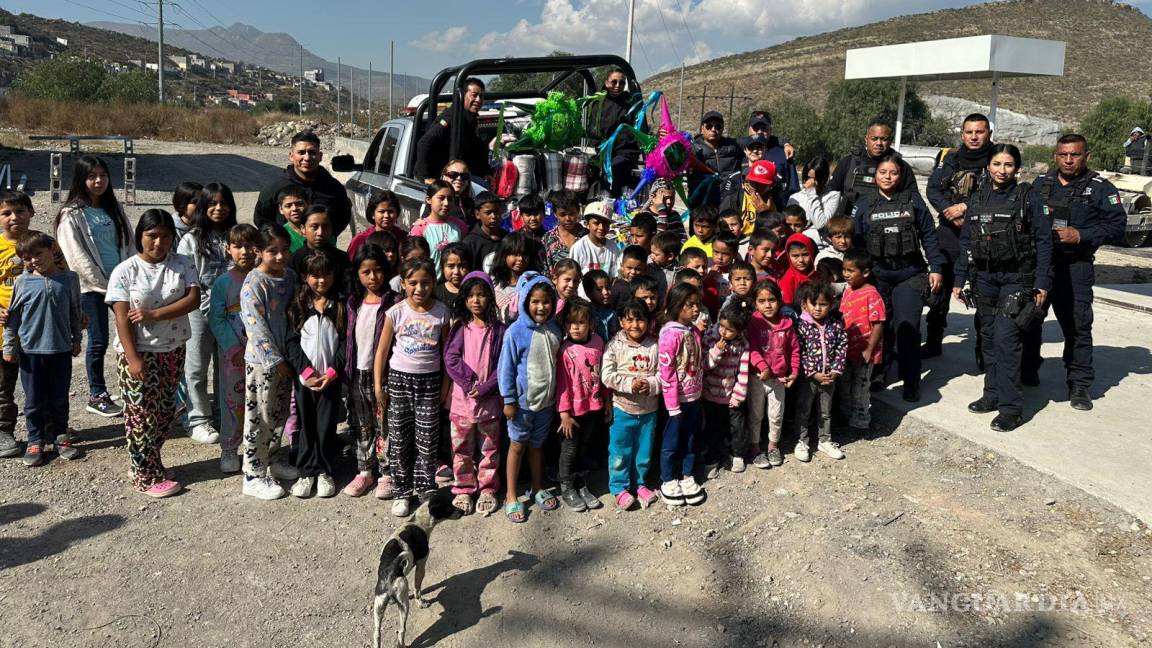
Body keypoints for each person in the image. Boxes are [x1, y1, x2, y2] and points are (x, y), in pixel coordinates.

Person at [1021, 135, 1126, 410]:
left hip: (1075, 267)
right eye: (1063, 155)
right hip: (1042, 266)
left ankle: (1079, 384)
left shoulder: (1101, 188)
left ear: (1086, 156)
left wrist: (1081, 235)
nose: (1068, 160)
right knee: (1029, 320)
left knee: (1078, 327)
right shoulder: (1041, 184)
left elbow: (1117, 226)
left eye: (1075, 155)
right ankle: (1028, 370)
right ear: (1055, 156)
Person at [954, 144, 1053, 431]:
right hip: (985, 278)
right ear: (988, 166)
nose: (1002, 170)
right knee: (987, 339)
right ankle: (992, 395)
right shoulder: (977, 198)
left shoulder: (1027, 197)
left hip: (1017, 278)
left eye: (1008, 165)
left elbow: (1044, 241)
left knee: (1006, 340)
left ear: (1016, 168)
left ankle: (1011, 408)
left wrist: (1042, 282)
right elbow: (966, 243)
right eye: (997, 164)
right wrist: (960, 279)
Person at [107, 210, 200, 497]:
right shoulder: (125, 270)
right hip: (138, 353)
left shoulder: (182, 264)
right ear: (140, 236)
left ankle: (149, 463)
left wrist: (154, 313)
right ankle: (143, 476)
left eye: (165, 236)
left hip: (172, 349)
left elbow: (193, 299)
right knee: (140, 415)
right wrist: (133, 358)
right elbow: (122, 318)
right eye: (152, 235)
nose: (158, 242)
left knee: (164, 412)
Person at [851, 154, 945, 402]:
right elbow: (856, 242)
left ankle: (911, 381)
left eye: (893, 173)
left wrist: (936, 266)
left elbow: (928, 235)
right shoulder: (863, 204)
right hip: (878, 276)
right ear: (875, 176)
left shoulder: (913, 200)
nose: (888, 177)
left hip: (909, 274)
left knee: (907, 327)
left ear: (900, 175)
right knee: (881, 328)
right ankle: (880, 374)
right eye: (883, 172)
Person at [55, 155, 133, 418]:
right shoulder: (71, 215)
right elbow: (75, 256)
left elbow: (129, 243)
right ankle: (97, 394)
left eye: (103, 175)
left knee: (133, 335)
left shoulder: (114, 208)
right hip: (93, 288)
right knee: (99, 340)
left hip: (122, 284)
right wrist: (104, 283)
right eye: (91, 176)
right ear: (81, 180)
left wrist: (132, 277)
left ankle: (134, 387)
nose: (98, 181)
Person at [374, 258, 450, 517]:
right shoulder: (395, 312)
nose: (420, 288)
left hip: (430, 382)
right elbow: (382, 352)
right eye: (413, 283)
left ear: (434, 283)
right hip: (399, 381)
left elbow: (446, 352)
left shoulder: (441, 312)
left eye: (426, 282)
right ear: (403, 284)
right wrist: (378, 386)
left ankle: (425, 487)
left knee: (427, 438)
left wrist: (445, 387)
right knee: (400, 436)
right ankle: (402, 490)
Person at [4, 232, 83, 466]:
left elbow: (75, 311)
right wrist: (9, 346)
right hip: (30, 352)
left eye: (38, 254)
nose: (34, 261)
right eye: (27, 258)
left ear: (52, 249)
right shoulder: (22, 282)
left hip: (60, 350)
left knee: (59, 397)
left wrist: (77, 338)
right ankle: (35, 439)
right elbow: (13, 319)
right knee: (34, 400)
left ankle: (60, 436)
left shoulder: (69, 279)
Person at [924, 113, 995, 359]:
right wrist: (950, 211)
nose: (974, 137)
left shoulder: (998, 159)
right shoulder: (951, 159)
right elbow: (933, 189)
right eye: (969, 132)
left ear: (989, 134)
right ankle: (933, 341)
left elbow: (1000, 192)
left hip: (982, 234)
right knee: (938, 290)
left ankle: (983, 350)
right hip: (948, 231)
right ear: (962, 134)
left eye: (980, 132)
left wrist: (966, 208)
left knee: (982, 293)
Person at [498, 272, 563, 523]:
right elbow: (506, 369)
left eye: (546, 301)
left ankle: (537, 488)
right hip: (522, 405)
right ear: (525, 302)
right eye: (535, 301)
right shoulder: (515, 332)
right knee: (517, 446)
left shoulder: (555, 329)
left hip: (545, 403)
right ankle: (512, 495)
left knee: (537, 446)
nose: (541, 307)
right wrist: (509, 400)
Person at [239, 224, 298, 501]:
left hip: (287, 357)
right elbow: (256, 327)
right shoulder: (253, 283)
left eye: (284, 250)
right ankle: (253, 472)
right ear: (258, 251)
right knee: (259, 417)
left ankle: (272, 458)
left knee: (279, 412)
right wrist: (275, 361)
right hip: (264, 363)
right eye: (272, 251)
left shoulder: (290, 278)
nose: (279, 257)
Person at [177, 183, 238, 445]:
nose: (218, 208)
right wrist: (210, 309)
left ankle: (226, 414)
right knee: (196, 367)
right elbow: (188, 279)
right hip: (199, 312)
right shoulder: (191, 239)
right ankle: (198, 419)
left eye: (223, 203)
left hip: (232, 314)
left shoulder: (237, 236)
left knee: (227, 367)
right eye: (212, 203)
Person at [444, 271, 506, 516]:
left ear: (490, 298)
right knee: (461, 449)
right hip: (461, 403)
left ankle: (488, 488)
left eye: (481, 295)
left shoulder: (499, 330)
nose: (476, 301)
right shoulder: (461, 327)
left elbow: (503, 365)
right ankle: (464, 488)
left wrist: (485, 387)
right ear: (464, 299)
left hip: (489, 403)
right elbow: (451, 357)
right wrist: (470, 382)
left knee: (489, 449)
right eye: (471, 296)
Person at [342, 243, 401, 498]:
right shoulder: (354, 302)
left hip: (383, 375)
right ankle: (365, 471)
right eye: (366, 272)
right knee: (362, 423)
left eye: (377, 271)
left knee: (384, 424)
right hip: (357, 372)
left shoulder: (394, 302)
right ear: (357, 273)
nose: (373, 277)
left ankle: (387, 473)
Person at [285, 253, 346, 498]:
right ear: (305, 277)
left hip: (330, 379)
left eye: (326, 274)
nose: (321, 280)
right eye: (315, 275)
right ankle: (306, 471)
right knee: (306, 424)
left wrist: (332, 371)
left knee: (326, 425)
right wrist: (306, 371)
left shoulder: (340, 305)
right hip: (305, 380)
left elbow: (345, 343)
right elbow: (291, 342)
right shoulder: (298, 305)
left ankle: (324, 471)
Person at [207, 224, 259, 473]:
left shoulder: (265, 277)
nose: (245, 251)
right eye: (238, 246)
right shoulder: (223, 283)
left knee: (260, 402)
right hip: (234, 358)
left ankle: (259, 448)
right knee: (232, 401)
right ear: (228, 249)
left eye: (250, 245)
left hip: (262, 355)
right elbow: (216, 318)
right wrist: (233, 348)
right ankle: (229, 448)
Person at [602, 299, 661, 510]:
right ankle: (619, 487)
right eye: (630, 320)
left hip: (649, 410)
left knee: (643, 451)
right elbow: (606, 375)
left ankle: (641, 484)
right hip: (622, 409)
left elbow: (664, 374)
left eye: (640, 319)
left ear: (649, 321)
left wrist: (652, 385)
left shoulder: (655, 345)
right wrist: (630, 384)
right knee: (620, 451)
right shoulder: (614, 345)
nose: (635, 325)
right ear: (621, 322)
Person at [556, 299, 607, 513]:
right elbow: (562, 384)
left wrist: (607, 401)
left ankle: (580, 482)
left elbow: (603, 374)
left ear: (591, 324)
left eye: (581, 322)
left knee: (584, 446)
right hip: (572, 413)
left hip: (593, 406)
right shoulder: (566, 350)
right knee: (569, 449)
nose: (575, 327)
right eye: (571, 323)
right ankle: (566, 486)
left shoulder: (598, 342)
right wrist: (564, 414)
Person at [658, 283, 706, 506]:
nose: (695, 309)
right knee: (671, 441)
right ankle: (667, 478)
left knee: (690, 438)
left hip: (694, 397)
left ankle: (687, 475)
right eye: (690, 305)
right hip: (676, 401)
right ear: (677, 306)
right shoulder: (670, 335)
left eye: (697, 304)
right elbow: (666, 372)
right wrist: (672, 405)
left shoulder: (694, 331)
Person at [253, 130, 353, 237]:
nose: (307, 158)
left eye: (312, 152)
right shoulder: (274, 188)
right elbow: (261, 219)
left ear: (320, 156)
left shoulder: (334, 188)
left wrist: (327, 236)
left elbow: (344, 216)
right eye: (301, 152)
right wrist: (279, 240)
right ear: (291, 156)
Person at [744, 279, 797, 468]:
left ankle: (773, 445)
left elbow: (795, 350)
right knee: (756, 414)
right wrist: (763, 367)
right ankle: (755, 447)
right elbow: (751, 349)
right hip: (757, 378)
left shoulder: (787, 324)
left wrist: (795, 372)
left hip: (778, 379)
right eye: (762, 301)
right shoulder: (753, 323)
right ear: (755, 303)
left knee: (776, 415)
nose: (767, 305)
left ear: (779, 300)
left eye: (772, 300)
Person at [793, 281, 847, 462]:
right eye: (813, 304)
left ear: (830, 305)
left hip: (829, 378)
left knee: (825, 411)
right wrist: (812, 373)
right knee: (803, 410)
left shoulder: (835, 325)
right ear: (804, 304)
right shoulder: (800, 326)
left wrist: (836, 370)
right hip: (808, 379)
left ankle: (825, 440)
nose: (818, 308)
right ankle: (802, 441)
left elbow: (842, 347)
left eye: (823, 304)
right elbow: (797, 352)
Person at [0, 190, 33, 458]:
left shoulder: (45, 245)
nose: (14, 218)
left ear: (31, 213)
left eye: (20, 211)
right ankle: (4, 431)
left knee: (42, 382)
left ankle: (46, 428)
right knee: (3, 386)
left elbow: (64, 277)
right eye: (6, 213)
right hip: (4, 334)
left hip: (39, 330)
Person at [829, 119, 920, 217]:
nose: (879, 143)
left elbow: (915, 200)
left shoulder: (901, 167)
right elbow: (830, 196)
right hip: (851, 225)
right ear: (866, 139)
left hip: (885, 225)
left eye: (883, 139)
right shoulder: (849, 162)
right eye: (874, 138)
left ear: (890, 141)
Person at [700, 303, 751, 476]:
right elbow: (704, 366)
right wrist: (716, 351)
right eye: (721, 325)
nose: (723, 331)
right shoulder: (710, 337)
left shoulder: (742, 344)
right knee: (712, 428)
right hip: (710, 394)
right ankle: (712, 458)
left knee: (737, 427)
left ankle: (737, 454)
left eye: (729, 329)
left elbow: (742, 372)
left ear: (740, 330)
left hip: (731, 396)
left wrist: (738, 395)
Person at [838, 248, 885, 431]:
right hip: (847, 349)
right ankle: (847, 416)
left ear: (865, 273)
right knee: (845, 384)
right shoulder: (848, 290)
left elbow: (878, 324)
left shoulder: (872, 295)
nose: (846, 274)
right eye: (844, 269)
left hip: (865, 353)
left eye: (851, 271)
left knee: (860, 388)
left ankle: (861, 422)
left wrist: (868, 349)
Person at [414, 77, 491, 184]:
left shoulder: (470, 119)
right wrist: (425, 177)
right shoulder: (450, 118)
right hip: (446, 179)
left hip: (463, 176)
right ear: (463, 95)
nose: (478, 100)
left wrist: (486, 172)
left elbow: (477, 149)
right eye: (474, 95)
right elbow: (424, 142)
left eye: (481, 96)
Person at [591, 68, 642, 196]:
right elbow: (594, 129)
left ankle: (610, 200)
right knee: (589, 170)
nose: (618, 86)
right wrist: (599, 147)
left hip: (625, 151)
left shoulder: (630, 103)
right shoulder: (599, 103)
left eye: (622, 83)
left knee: (614, 169)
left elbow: (636, 128)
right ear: (607, 83)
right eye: (614, 82)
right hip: (604, 151)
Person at [290, 206, 352, 298]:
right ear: (303, 229)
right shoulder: (295, 260)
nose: (320, 233)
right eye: (314, 227)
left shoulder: (341, 258)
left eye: (325, 227)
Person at [738, 111, 799, 201]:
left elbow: (793, 188)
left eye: (764, 128)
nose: (759, 132)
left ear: (770, 129)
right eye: (756, 128)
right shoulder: (738, 150)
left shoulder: (784, 153)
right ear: (749, 129)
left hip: (775, 209)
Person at [688, 111, 743, 207]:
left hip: (728, 200)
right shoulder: (692, 149)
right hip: (702, 202)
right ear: (702, 128)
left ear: (722, 129)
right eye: (709, 126)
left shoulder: (733, 146)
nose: (713, 130)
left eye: (717, 126)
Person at [409, 181, 466, 270]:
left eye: (450, 199)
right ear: (429, 200)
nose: (446, 203)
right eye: (441, 198)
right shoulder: (419, 228)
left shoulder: (460, 226)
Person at [347, 190, 408, 261]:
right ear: (373, 214)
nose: (386, 215)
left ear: (397, 213)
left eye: (390, 211)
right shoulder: (361, 240)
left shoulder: (404, 238)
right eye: (382, 212)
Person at [491, 233, 538, 324]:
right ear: (504, 255)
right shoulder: (494, 285)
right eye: (515, 254)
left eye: (524, 254)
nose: (520, 258)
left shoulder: (534, 283)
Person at [788, 158, 841, 232]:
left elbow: (821, 224)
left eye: (817, 179)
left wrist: (811, 193)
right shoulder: (795, 197)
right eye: (809, 178)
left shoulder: (833, 196)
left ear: (824, 179)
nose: (812, 182)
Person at [568, 200, 619, 278]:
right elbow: (573, 276)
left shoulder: (613, 247)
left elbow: (614, 275)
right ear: (587, 224)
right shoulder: (579, 248)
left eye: (605, 223)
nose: (601, 227)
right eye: (596, 223)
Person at [461, 191, 505, 275]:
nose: (493, 216)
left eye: (496, 211)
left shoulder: (506, 238)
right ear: (477, 214)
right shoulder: (470, 242)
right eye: (488, 213)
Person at [541, 190, 587, 270]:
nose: (568, 219)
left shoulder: (587, 236)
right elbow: (545, 270)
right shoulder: (547, 239)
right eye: (562, 214)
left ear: (578, 212)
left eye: (572, 213)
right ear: (555, 214)